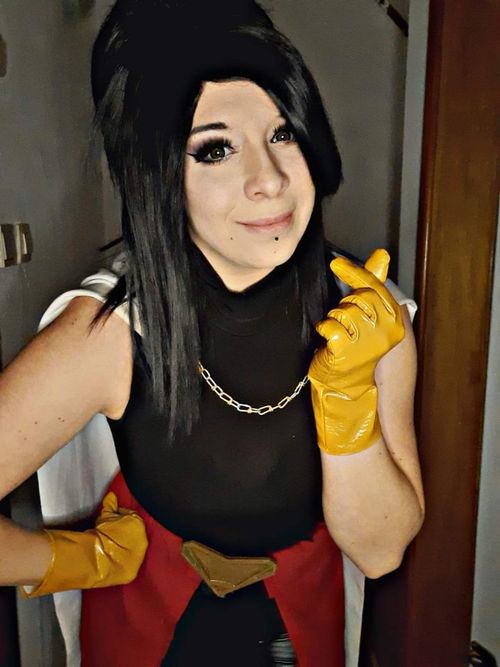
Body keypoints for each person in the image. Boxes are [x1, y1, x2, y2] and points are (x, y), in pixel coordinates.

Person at [0, 0, 425, 665]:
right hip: (144, 627)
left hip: (300, 628)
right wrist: (65, 558)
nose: (270, 180)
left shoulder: (370, 314)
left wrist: (350, 404)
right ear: (156, 175)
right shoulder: (109, 332)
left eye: (282, 134)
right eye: (216, 149)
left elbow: (381, 551)